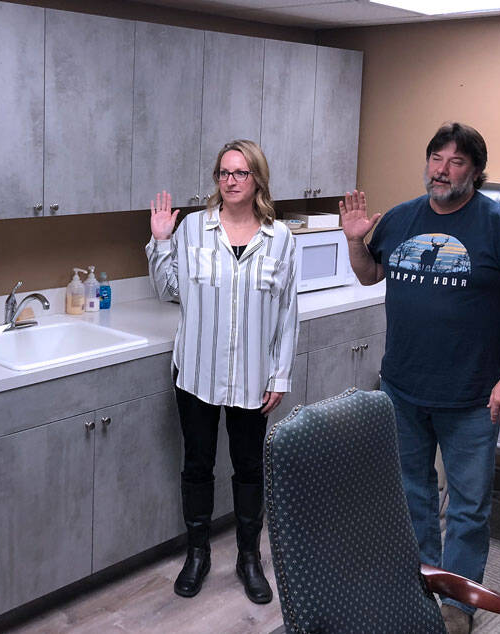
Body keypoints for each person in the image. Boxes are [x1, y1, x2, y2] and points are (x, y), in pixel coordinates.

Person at [340, 122, 500, 634]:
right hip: (403, 389)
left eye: (456, 162)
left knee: (469, 508)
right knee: (412, 495)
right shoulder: (401, 218)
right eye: (436, 158)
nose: (442, 170)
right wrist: (355, 242)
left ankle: (457, 604)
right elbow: (369, 274)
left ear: (475, 172)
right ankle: (421, 587)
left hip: (473, 397)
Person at [147, 139, 298, 603]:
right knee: (197, 466)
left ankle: (249, 558)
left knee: (249, 469)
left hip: (253, 376)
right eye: (223, 173)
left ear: (257, 179)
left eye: (240, 172)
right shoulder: (194, 228)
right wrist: (161, 241)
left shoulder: (280, 238)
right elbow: (168, 290)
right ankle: (198, 555)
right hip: (196, 371)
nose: (230, 181)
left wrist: (279, 375)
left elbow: (288, 313)